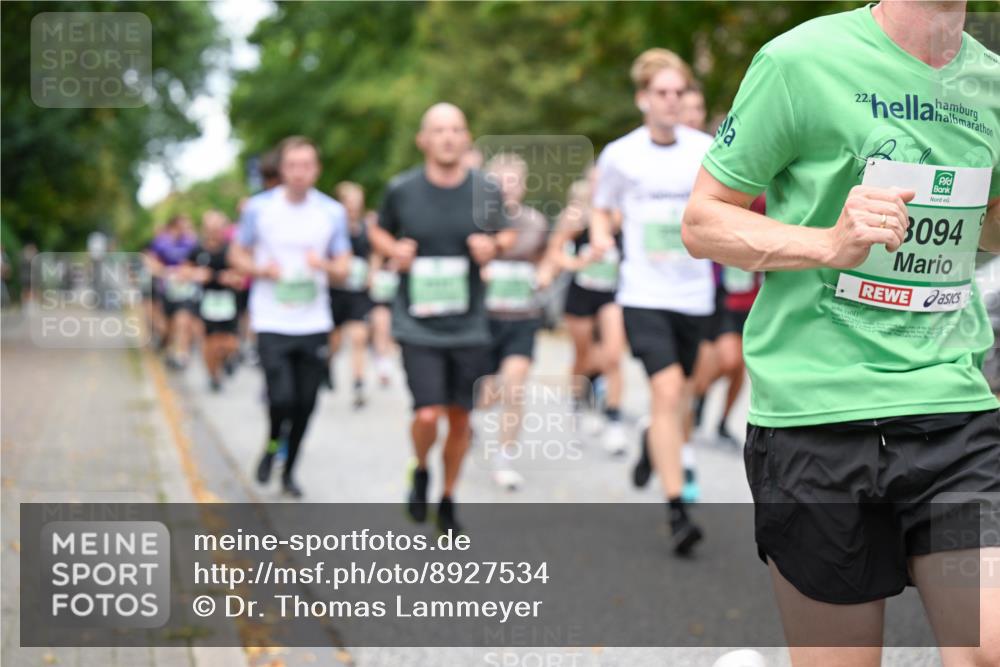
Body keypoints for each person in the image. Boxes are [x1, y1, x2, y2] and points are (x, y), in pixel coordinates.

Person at [683, 1, 1000, 664]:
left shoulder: (991, 83)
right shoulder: (799, 61)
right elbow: (704, 221)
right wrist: (829, 242)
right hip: (816, 415)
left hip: (952, 410)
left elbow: (988, 226)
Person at [589, 48, 715, 555]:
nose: (671, 100)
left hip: (695, 294)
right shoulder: (620, 155)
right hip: (643, 292)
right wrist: (601, 235)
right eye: (662, 92)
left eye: (679, 92)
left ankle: (651, 441)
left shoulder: (705, 150)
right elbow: (601, 209)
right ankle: (677, 509)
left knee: (682, 396)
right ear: (643, 98)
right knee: (666, 391)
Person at [369, 103, 514, 532]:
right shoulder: (402, 189)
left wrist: (494, 247)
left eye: (455, 129)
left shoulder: (485, 189)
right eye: (439, 130)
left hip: (469, 323)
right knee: (428, 413)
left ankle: (448, 496)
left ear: (466, 138)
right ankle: (420, 468)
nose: (448, 137)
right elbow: (378, 229)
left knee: (460, 418)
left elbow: (506, 231)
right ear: (423, 140)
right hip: (417, 322)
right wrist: (393, 249)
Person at [229, 135, 351, 499]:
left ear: (317, 170)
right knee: (281, 397)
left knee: (306, 404)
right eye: (292, 166)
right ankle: (272, 443)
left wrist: (323, 265)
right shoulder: (258, 208)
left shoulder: (332, 212)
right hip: (271, 320)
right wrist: (260, 270)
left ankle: (290, 470)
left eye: (306, 165)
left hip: (314, 322)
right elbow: (237, 254)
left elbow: (344, 268)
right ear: (281, 170)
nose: (299, 172)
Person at [541, 168, 628, 455]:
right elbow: (555, 251)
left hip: (611, 294)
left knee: (613, 356)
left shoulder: (621, 214)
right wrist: (577, 263)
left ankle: (614, 420)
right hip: (581, 293)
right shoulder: (576, 216)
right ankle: (577, 405)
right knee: (584, 357)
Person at [477, 152, 549, 490]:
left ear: (522, 186)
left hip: (522, 317)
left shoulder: (535, 222)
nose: (506, 188)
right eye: (499, 182)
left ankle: (504, 458)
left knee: (514, 386)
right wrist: (480, 272)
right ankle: (469, 415)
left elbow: (547, 259)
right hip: (482, 320)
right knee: (483, 394)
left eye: (512, 182)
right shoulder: (476, 221)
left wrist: (544, 274)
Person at [329, 181, 376, 409]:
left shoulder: (367, 226)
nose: (353, 206)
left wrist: (372, 273)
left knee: (359, 337)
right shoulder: (332, 227)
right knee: (335, 341)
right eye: (349, 202)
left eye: (357, 202)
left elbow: (375, 252)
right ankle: (326, 364)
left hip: (358, 291)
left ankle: (358, 382)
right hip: (336, 290)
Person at [187, 211, 243, 392]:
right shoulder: (197, 250)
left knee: (229, 343)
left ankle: (228, 359)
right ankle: (213, 377)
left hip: (227, 300)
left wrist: (232, 277)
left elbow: (243, 275)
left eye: (217, 228)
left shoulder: (231, 250)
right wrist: (197, 274)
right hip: (206, 300)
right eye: (210, 229)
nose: (214, 232)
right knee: (210, 342)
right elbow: (184, 270)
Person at [145, 215, 200, 369]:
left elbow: (198, 262)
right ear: (174, 226)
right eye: (183, 225)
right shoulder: (161, 242)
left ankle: (182, 355)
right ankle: (167, 346)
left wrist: (187, 272)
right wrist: (165, 272)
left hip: (186, 290)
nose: (186, 229)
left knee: (183, 320)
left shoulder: (191, 243)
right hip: (166, 289)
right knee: (167, 326)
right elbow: (150, 261)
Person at [367, 210, 399, 388]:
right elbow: (370, 281)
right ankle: (383, 364)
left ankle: (388, 359)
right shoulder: (375, 254)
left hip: (398, 298)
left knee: (392, 333)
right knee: (381, 325)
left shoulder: (401, 245)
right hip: (380, 299)